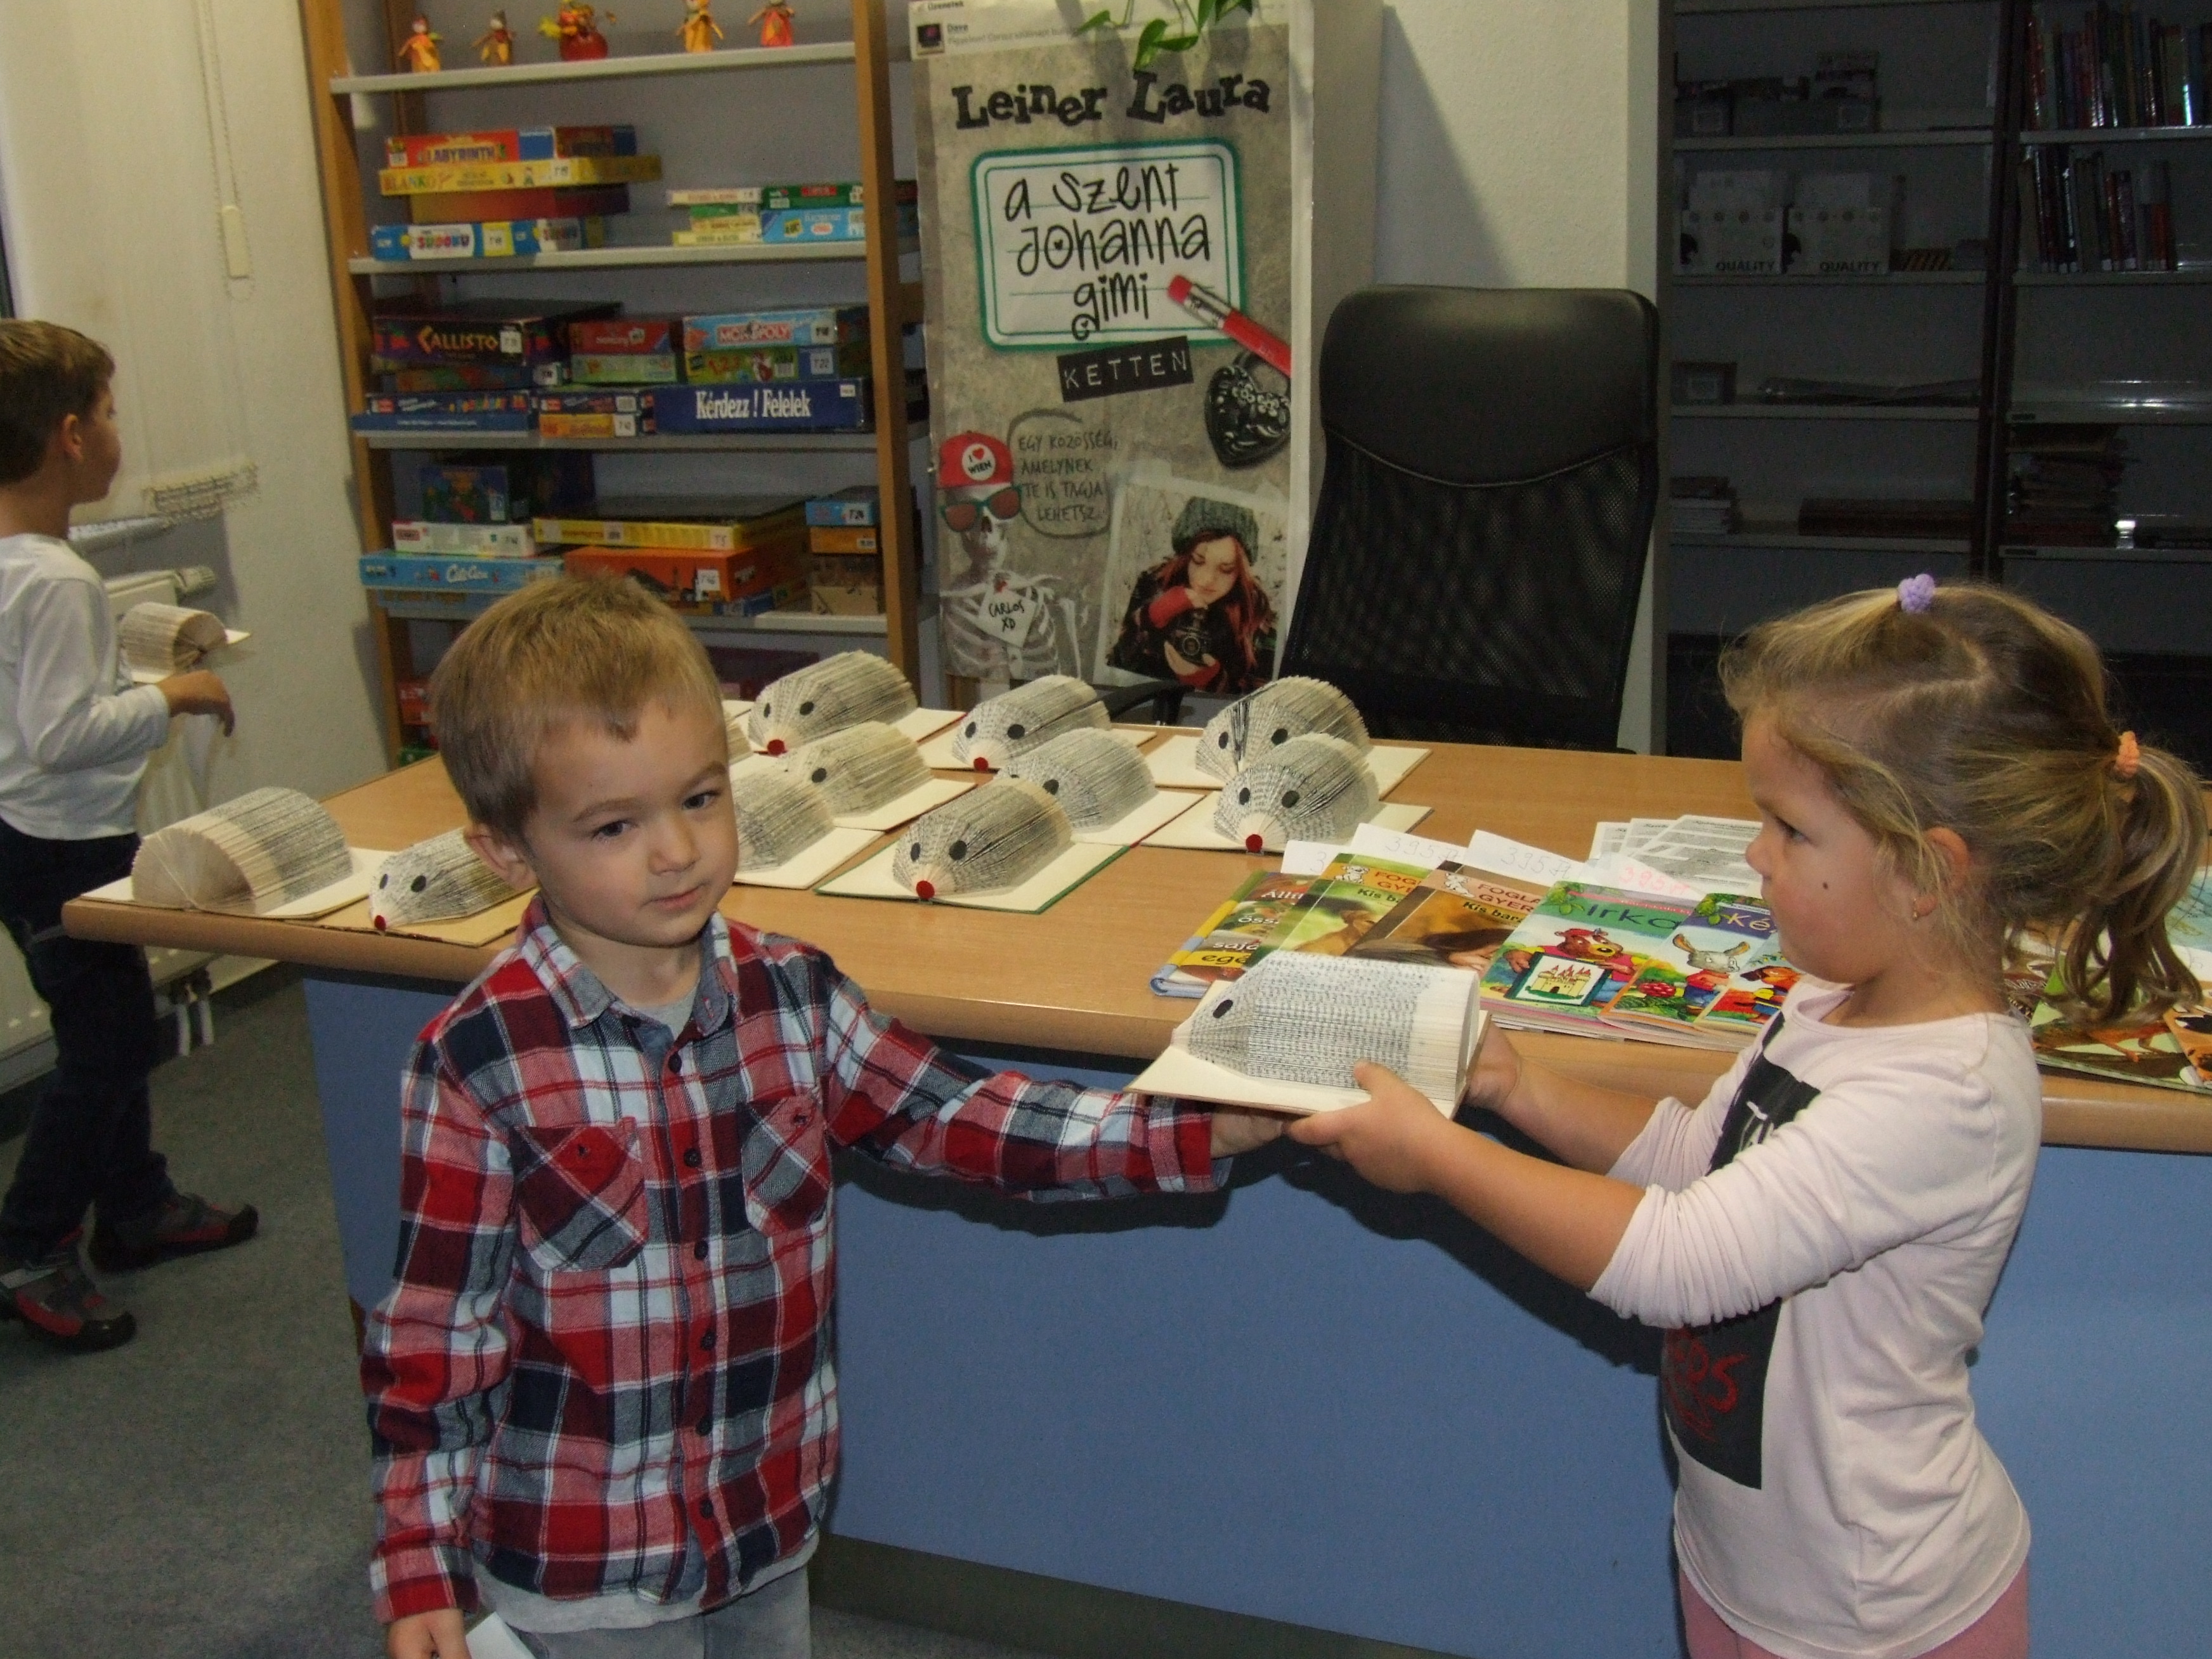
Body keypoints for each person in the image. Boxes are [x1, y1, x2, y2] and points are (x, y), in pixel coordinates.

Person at [1283, 577, 2208, 1659]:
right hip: (1747, 1575)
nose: (1756, 854)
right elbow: (1700, 1161)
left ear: (1926, 871)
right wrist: (1515, 1086)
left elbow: (1680, 1261)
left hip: (1875, 1621)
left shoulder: (1945, 1093)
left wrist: (1440, 1159)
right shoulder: (1830, 1001)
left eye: (1789, 828)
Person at [364, 576, 1275, 1659]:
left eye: (700, 798)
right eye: (613, 825)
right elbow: (439, 1336)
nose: (676, 850)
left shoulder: (791, 996)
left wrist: (1182, 1127)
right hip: (587, 1563)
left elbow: (958, 1115)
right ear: (509, 853)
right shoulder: (478, 1060)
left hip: (767, 1522)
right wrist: (417, 1558)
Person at [0, 320, 254, 1353]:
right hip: (57, 841)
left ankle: (137, 1204)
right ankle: (29, 1244)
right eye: (107, 414)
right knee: (109, 1044)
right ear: (69, 435)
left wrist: (130, 683)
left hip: (26, 834)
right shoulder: (55, 579)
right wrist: (174, 695)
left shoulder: (19, 562)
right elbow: (61, 735)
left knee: (112, 1021)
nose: (116, 432)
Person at [1107, 496, 1275, 695]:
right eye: (1198, 561)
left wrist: (1214, 683)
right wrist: (1149, 617)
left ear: (1241, 571)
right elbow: (1115, 671)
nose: (1207, 580)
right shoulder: (1154, 585)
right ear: (1186, 556)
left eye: (1226, 569)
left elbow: (1263, 702)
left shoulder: (1257, 616)